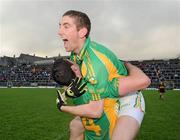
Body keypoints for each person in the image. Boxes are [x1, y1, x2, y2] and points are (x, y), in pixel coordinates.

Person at [57, 10, 151, 140]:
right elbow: (87, 86)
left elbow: (96, 111)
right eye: (60, 26)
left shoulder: (95, 62)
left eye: (66, 26)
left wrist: (63, 107)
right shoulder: (75, 55)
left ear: (82, 32)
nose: (60, 31)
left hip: (127, 98)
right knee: (75, 126)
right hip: (107, 98)